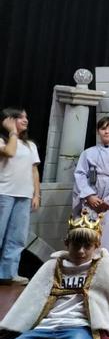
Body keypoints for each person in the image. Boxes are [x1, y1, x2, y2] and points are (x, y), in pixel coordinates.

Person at [0, 211, 109, 339]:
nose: (81, 251)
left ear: (96, 246)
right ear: (67, 243)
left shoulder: (102, 267)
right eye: (76, 245)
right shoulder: (52, 266)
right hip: (44, 327)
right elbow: (30, 299)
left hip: (77, 328)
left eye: (87, 246)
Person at [73, 117, 109, 260]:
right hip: (93, 192)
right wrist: (89, 196)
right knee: (91, 230)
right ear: (98, 131)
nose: (107, 132)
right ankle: (88, 258)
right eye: (103, 128)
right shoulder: (88, 152)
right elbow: (80, 174)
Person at [0, 108, 40, 286]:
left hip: (23, 195)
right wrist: (12, 132)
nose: (25, 120)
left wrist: (36, 194)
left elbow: (34, 170)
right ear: (8, 120)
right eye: (20, 117)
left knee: (17, 237)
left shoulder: (30, 145)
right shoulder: (3, 140)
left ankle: (8, 274)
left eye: (26, 116)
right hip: (4, 193)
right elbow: (9, 152)